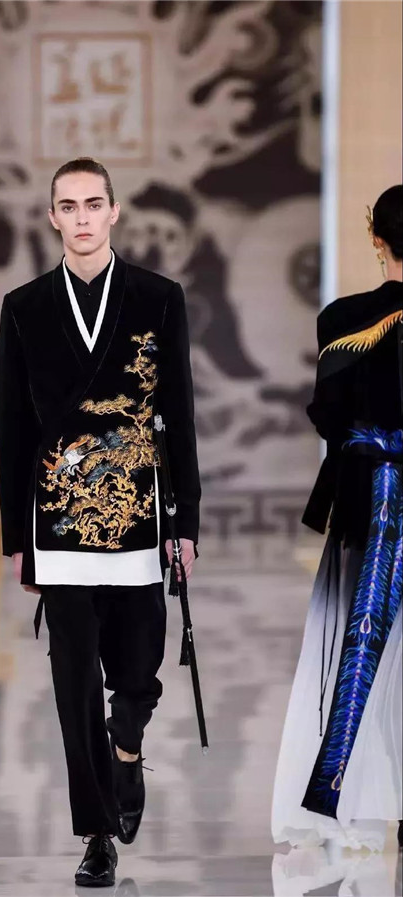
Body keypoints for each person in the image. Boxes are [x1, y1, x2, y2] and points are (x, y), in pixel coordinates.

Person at [0, 158, 201, 887]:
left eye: (93, 204)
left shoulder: (158, 297)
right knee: (73, 682)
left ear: (114, 211)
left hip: (139, 514)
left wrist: (186, 520)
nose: (81, 217)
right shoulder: (23, 306)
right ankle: (96, 833)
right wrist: (16, 538)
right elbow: (12, 429)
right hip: (57, 521)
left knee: (138, 673)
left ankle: (127, 746)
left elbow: (178, 411)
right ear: (52, 216)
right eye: (68, 205)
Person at [272, 185, 403, 852]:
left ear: (376, 237)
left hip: (366, 496)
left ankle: (358, 794)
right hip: (375, 492)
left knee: (366, 643)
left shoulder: (342, 319)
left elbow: (328, 416)